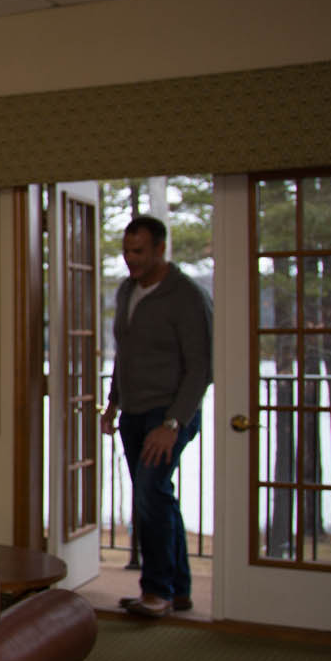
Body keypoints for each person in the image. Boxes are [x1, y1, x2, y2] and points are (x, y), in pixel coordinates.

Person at [101, 215, 213, 619]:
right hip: (132, 410)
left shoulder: (186, 296)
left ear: (161, 249)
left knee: (150, 494)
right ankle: (179, 589)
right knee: (157, 497)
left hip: (168, 414)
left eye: (139, 251)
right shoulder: (127, 291)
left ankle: (157, 590)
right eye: (126, 251)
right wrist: (112, 403)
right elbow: (124, 354)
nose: (130, 259)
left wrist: (172, 425)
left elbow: (201, 368)